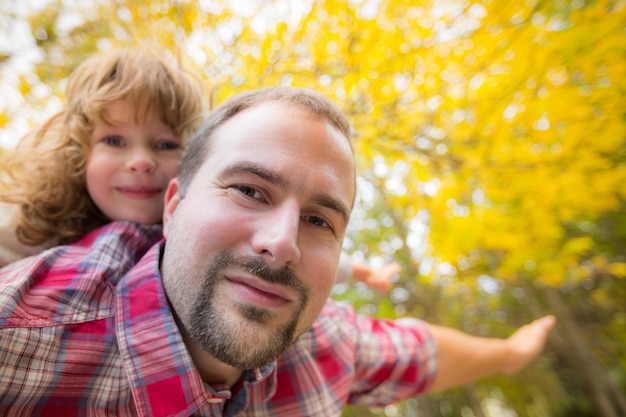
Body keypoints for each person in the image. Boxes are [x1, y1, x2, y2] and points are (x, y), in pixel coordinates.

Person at [0, 86, 556, 416]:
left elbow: (419, 352)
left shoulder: (325, 342)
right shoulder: (21, 338)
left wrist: (511, 353)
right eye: (249, 190)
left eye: (318, 219)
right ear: (173, 206)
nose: (283, 241)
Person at [0, 46, 206, 267]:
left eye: (166, 145)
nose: (141, 161)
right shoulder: (31, 227)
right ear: (79, 153)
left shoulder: (197, 240)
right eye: (114, 141)